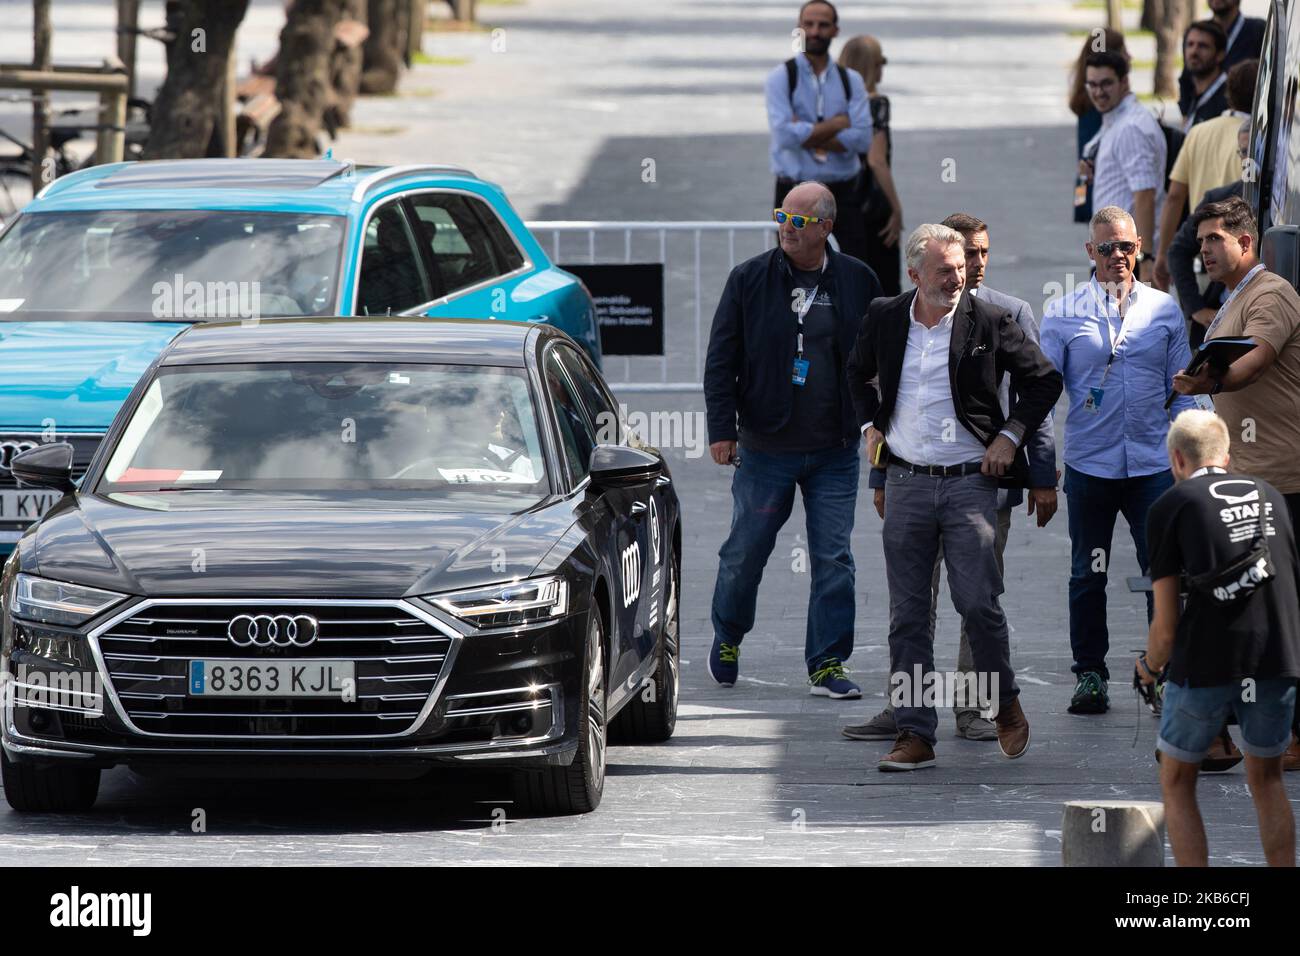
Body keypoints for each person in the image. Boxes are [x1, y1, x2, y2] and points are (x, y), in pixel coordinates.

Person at [845, 224, 1062, 770]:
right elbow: (854, 375)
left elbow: (1043, 381)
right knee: (908, 615)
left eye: (962, 266)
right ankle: (916, 733)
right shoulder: (885, 316)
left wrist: (1010, 439)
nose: (958, 277)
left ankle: (1003, 701)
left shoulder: (989, 320)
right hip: (907, 482)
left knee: (978, 604)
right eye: (946, 269)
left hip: (970, 484)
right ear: (915, 273)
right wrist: (871, 426)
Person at [704, 181, 883, 698]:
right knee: (745, 553)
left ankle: (827, 663)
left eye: (800, 221)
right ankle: (728, 634)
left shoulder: (857, 279)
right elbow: (721, 361)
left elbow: (878, 362)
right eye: (782, 216)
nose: (786, 227)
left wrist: (877, 425)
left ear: (826, 227)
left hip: (834, 449)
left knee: (834, 559)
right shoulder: (749, 280)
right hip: (765, 448)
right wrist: (721, 430)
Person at [1040, 206, 1197, 715]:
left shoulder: (1164, 310)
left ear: (1140, 248)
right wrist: (1041, 467)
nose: (1117, 257)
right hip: (1091, 466)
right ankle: (1090, 675)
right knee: (1088, 573)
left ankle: (1162, 674)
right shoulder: (1063, 313)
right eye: (1106, 248)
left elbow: (1185, 390)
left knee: (1163, 573)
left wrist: (1200, 459)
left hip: (1154, 464)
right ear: (1090, 253)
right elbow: (1040, 395)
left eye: (1126, 247)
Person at [1172, 195, 1300, 770]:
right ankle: (1225, 733)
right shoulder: (1230, 301)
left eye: (1214, 240)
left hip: (1281, 481)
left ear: (1246, 243)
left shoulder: (1271, 293)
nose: (1203, 251)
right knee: (1233, 603)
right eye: (1200, 242)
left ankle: (1291, 735)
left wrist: (1206, 376)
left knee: (1282, 613)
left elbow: (1253, 364)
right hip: (1241, 479)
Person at [1138, 409, 1298, 866]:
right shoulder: (1271, 496)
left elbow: (1166, 626)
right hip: (1278, 654)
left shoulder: (1171, 505)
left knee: (1177, 780)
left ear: (1176, 460)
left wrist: (1148, 670)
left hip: (1207, 658)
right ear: (1228, 455)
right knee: (1267, 779)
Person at [766, 1, 873, 264]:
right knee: (791, 273)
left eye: (823, 25)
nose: (814, 31)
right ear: (799, 29)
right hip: (793, 195)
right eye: (808, 24)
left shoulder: (851, 80)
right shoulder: (781, 77)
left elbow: (861, 139)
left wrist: (804, 132)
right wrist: (837, 124)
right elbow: (783, 136)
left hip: (844, 196)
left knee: (850, 274)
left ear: (835, 30)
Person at [1155, 60, 1257, 304]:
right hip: (1237, 265)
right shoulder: (1256, 137)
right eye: (1242, 153)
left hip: (1203, 261)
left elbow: (1175, 196)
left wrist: (1161, 254)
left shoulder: (1199, 132)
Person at [1078, 51, 1166, 280]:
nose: (1098, 92)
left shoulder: (1131, 127)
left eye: (1106, 83)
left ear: (1124, 82)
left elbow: (1145, 194)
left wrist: (1145, 259)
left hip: (1126, 259)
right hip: (1113, 253)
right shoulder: (1115, 119)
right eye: (1092, 84)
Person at [1162, 134, 1248, 348]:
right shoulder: (1220, 198)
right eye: (1243, 152)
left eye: (1255, 152)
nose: (1249, 159)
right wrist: (1196, 307)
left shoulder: (1288, 199)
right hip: (1220, 323)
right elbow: (1178, 251)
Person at [838, 34, 903, 296]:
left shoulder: (835, 106)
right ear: (871, 66)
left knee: (850, 284)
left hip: (842, 202)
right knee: (884, 288)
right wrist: (896, 209)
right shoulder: (876, 104)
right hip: (873, 207)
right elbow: (877, 160)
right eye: (880, 62)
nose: (882, 69)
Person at [1070, 28, 1129, 224]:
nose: (1129, 56)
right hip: (1097, 187)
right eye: (1123, 50)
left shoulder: (1086, 97)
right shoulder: (1102, 103)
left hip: (1085, 185)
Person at [1178, 0, 1267, 112]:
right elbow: (1187, 77)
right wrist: (1186, 114)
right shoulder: (1197, 33)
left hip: (1244, 117)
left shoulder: (1258, 30)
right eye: (1190, 44)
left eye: (1203, 46)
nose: (1194, 49)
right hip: (1204, 117)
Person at [1178, 20, 1229, 133]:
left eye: (1203, 46)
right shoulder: (1190, 93)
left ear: (1220, 54)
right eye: (1190, 44)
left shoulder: (1228, 99)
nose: (1194, 52)